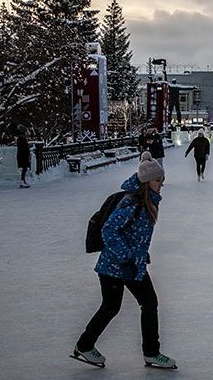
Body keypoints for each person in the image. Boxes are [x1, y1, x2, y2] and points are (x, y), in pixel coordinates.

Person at [73, 152, 177, 370]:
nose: (161, 184)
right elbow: (109, 230)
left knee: (119, 306)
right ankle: (151, 353)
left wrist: (139, 253)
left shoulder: (147, 201)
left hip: (129, 264)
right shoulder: (132, 202)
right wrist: (127, 256)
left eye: (162, 180)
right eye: (158, 180)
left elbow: (133, 233)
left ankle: (85, 345)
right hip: (117, 265)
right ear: (147, 181)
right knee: (139, 304)